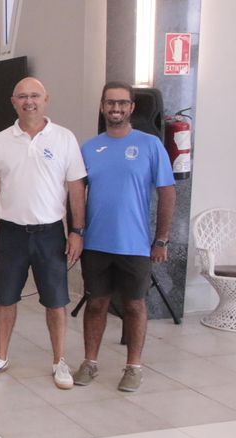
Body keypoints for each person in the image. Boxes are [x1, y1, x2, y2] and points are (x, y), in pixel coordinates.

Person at [0, 77, 86, 389]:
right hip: (11, 233)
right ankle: (0, 355)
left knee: (56, 301)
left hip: (51, 234)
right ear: (13, 102)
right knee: (5, 298)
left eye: (34, 96)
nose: (29, 102)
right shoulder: (0, 140)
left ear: (46, 99)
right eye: (22, 97)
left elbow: (76, 188)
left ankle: (59, 360)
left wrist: (77, 231)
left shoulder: (64, 139)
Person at [73, 82, 176, 392]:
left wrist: (161, 239)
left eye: (122, 103)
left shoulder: (150, 145)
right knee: (96, 305)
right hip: (95, 244)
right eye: (110, 103)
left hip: (135, 245)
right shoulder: (89, 147)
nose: (115, 109)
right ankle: (90, 362)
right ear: (102, 107)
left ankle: (133, 367)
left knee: (134, 306)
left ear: (132, 107)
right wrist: (76, 234)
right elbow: (76, 195)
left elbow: (167, 192)